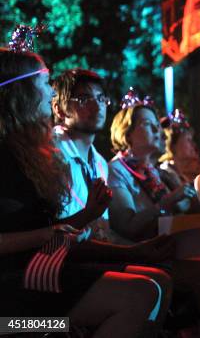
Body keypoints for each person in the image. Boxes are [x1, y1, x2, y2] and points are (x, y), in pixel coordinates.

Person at [0, 41, 173, 337]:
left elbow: (56, 235)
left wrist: (90, 218)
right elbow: (43, 238)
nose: (53, 92)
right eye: (45, 83)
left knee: (158, 282)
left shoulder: (31, 155)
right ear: (22, 93)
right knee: (139, 294)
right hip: (13, 300)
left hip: (43, 268)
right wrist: (50, 233)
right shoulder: (5, 156)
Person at [107, 92, 200, 337]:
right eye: (146, 123)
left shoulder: (155, 173)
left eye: (156, 124)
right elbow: (128, 225)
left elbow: (178, 216)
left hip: (171, 247)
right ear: (127, 131)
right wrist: (170, 200)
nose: (156, 128)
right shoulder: (116, 170)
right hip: (140, 255)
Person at [51, 68, 124, 242]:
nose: (97, 105)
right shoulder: (50, 152)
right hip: (57, 259)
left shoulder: (99, 162)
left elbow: (102, 226)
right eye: (84, 99)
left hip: (93, 253)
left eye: (100, 98)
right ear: (59, 109)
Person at [159, 108, 200, 188]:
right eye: (188, 140)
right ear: (171, 144)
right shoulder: (165, 172)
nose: (193, 145)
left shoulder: (193, 171)